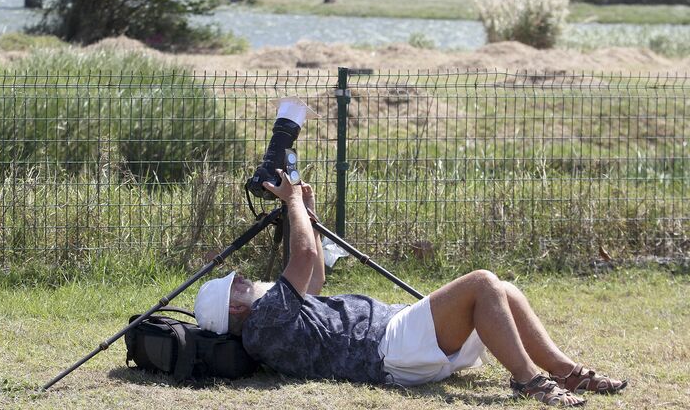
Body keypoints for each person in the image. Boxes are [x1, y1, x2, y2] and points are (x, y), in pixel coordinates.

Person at [193, 172, 627, 407]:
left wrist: (305, 212)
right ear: (234, 309)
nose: (246, 280)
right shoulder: (263, 324)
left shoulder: (272, 321)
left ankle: (567, 371)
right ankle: (531, 381)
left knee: (504, 289)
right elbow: (303, 260)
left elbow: (315, 275)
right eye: (240, 284)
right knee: (481, 282)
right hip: (388, 348)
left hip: (394, 342)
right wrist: (289, 204)